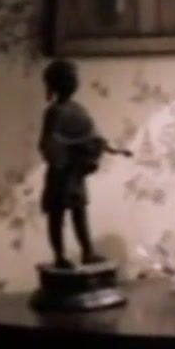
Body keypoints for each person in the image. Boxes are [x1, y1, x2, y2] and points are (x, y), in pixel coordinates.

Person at [39, 59, 130, 269]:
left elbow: (93, 136)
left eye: (75, 78)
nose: (75, 82)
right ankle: (59, 256)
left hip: (76, 171)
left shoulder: (78, 109)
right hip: (61, 171)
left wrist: (112, 149)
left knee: (79, 211)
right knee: (57, 215)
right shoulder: (55, 112)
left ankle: (87, 252)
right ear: (59, 83)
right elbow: (48, 141)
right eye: (70, 79)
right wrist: (66, 150)